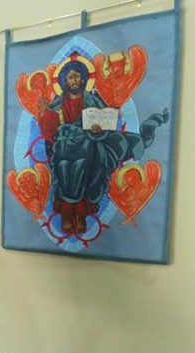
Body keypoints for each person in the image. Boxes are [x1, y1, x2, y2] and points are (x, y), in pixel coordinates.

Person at [38, 53, 169, 234]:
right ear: (63, 82)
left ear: (84, 79)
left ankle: (80, 216)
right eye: (70, 77)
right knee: (64, 167)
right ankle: (68, 215)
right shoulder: (57, 104)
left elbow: (103, 120)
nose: (74, 80)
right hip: (63, 145)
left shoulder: (92, 100)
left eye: (77, 76)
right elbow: (49, 130)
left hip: (88, 142)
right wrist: (44, 112)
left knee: (83, 166)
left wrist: (100, 128)